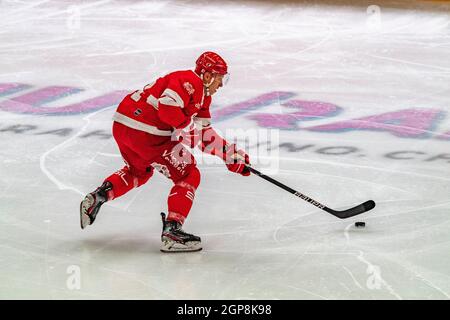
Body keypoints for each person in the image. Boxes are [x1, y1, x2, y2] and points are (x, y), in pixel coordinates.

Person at [80, 52, 251, 252]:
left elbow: (204, 135)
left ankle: (98, 197)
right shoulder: (189, 81)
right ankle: (172, 231)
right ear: (207, 75)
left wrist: (229, 155)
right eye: (220, 78)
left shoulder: (203, 96)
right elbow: (168, 109)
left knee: (139, 172)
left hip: (123, 126)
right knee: (189, 174)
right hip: (147, 132)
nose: (221, 85)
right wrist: (186, 130)